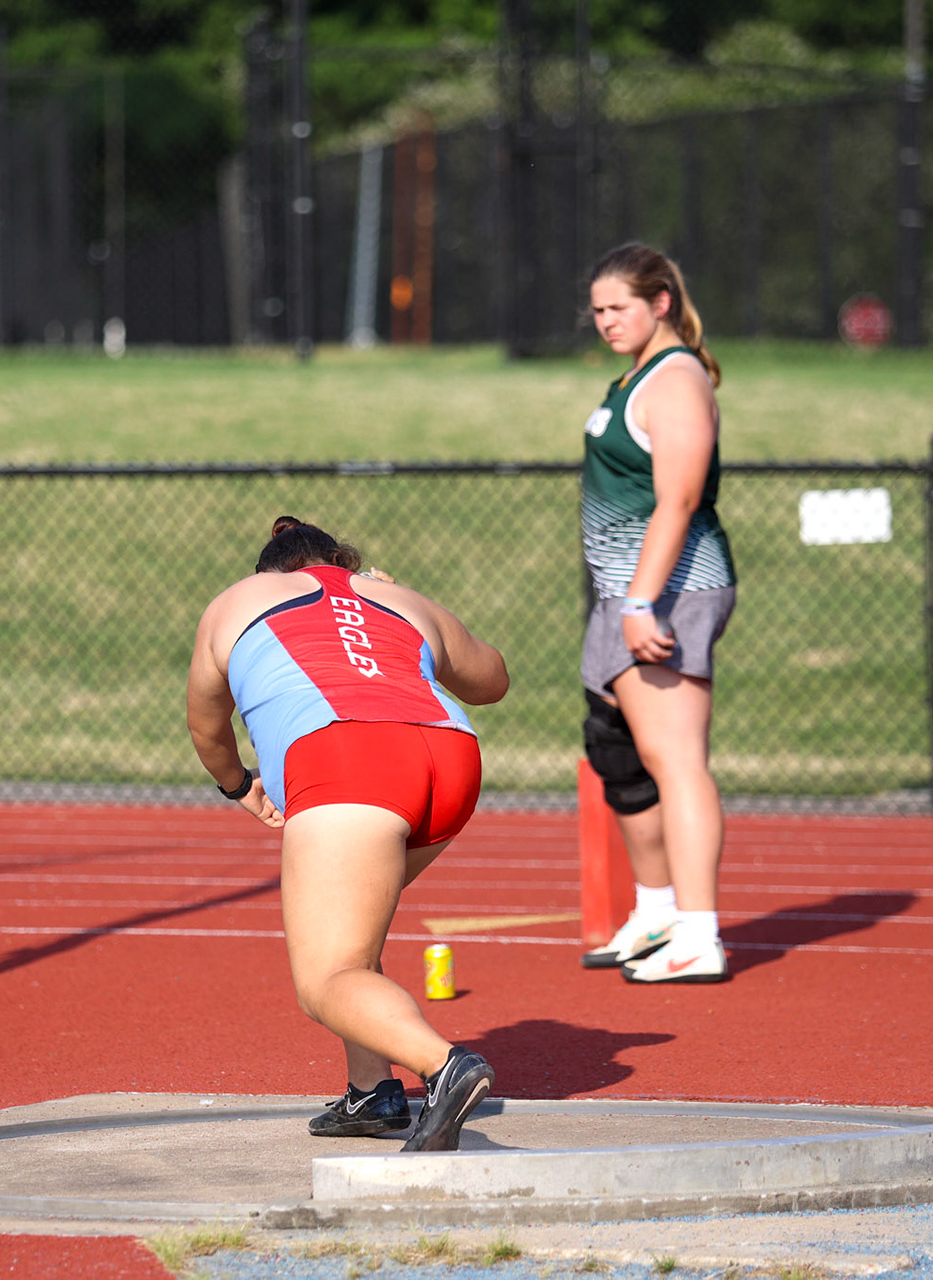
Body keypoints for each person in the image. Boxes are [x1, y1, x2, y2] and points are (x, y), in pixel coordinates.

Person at [186, 516, 512, 1149]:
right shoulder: (394, 596)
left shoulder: (237, 600)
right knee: (349, 932)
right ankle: (372, 1091)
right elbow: (491, 680)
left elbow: (207, 725)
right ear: (344, 563)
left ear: (269, 572)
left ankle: (445, 1066)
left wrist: (238, 785)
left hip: (350, 759)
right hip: (450, 760)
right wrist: (399, 600)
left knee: (327, 975)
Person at [575, 243, 737, 985]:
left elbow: (677, 498)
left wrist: (641, 601)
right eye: (598, 309)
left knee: (676, 761)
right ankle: (657, 909)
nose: (604, 320)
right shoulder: (637, 373)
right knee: (619, 754)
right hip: (626, 592)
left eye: (619, 308)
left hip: (671, 591)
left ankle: (699, 934)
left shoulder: (676, 380)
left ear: (660, 302)